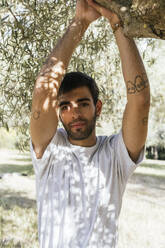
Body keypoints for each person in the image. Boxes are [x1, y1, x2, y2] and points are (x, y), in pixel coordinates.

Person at [30, 0, 150, 247]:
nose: (74, 113)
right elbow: (43, 92)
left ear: (97, 107)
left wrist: (117, 22)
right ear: (58, 112)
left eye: (83, 104)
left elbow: (140, 101)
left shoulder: (116, 155)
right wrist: (80, 22)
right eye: (65, 106)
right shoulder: (49, 149)